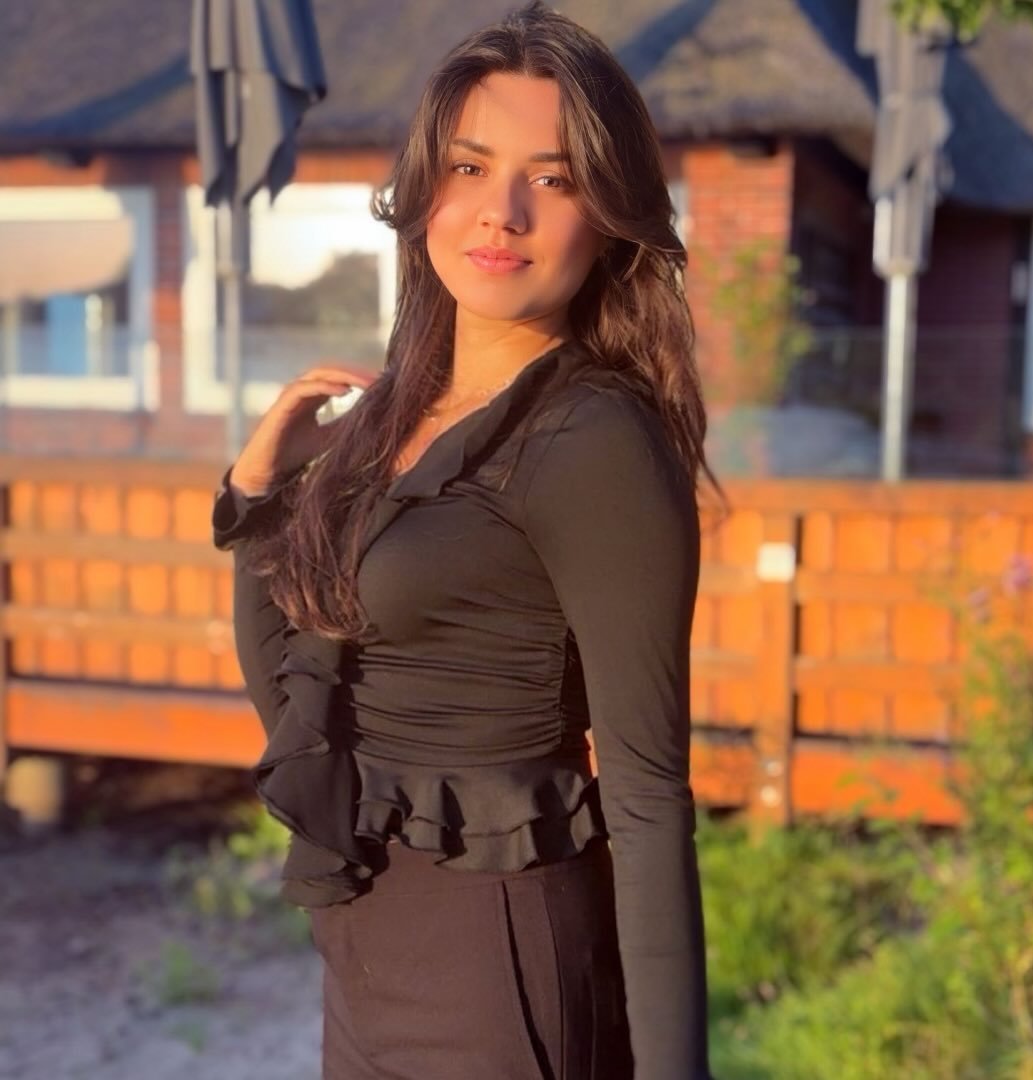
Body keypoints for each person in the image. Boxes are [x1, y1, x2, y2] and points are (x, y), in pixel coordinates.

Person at [211, 3, 726, 1077]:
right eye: (470, 166)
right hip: (365, 952)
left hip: (499, 971)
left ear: (608, 217)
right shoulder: (387, 420)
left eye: (554, 178)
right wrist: (260, 491)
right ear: (424, 190)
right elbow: (295, 705)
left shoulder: (593, 438)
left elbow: (646, 797)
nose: (503, 211)